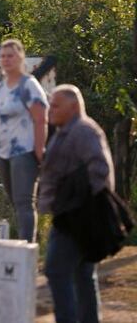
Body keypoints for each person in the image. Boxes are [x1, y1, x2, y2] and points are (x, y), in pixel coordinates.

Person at [41, 85, 114, 323]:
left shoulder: (83, 131)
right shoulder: (65, 131)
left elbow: (100, 171)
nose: (50, 110)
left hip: (76, 218)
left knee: (56, 269)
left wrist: (83, 206)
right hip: (71, 214)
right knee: (83, 274)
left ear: (73, 107)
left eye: (55, 105)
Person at [0, 39, 47, 242]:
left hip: (25, 151)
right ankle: (29, 243)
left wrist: (39, 150)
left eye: (10, 55)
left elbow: (41, 118)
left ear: (20, 57)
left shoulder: (29, 85)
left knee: (24, 202)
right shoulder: (0, 88)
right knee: (15, 202)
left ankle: (26, 251)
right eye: (3, 56)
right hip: (3, 152)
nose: (6, 60)